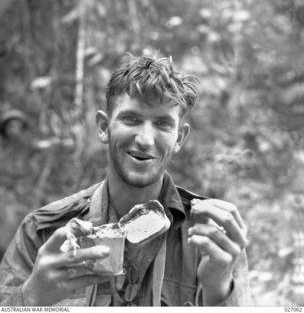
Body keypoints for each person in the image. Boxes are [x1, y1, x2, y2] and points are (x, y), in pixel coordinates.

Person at [0, 54, 252, 306]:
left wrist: (218, 289)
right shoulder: (43, 233)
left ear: (179, 138)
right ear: (102, 127)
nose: (145, 139)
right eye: (131, 119)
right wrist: (32, 296)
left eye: (163, 124)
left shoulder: (212, 238)